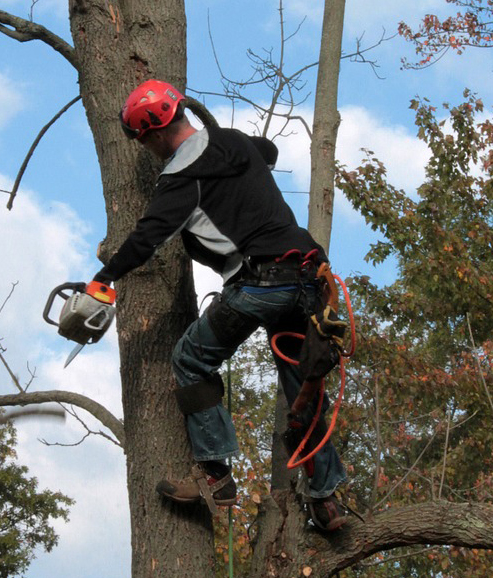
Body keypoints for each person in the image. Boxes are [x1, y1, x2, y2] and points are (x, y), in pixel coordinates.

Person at [93, 79, 347, 531]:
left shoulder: (180, 179)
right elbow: (267, 151)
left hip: (260, 284)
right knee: (301, 389)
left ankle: (215, 477)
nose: (147, 150)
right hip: (309, 280)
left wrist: (103, 279)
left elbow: (147, 238)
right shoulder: (234, 142)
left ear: (153, 133)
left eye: (144, 141)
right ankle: (326, 502)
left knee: (190, 360)